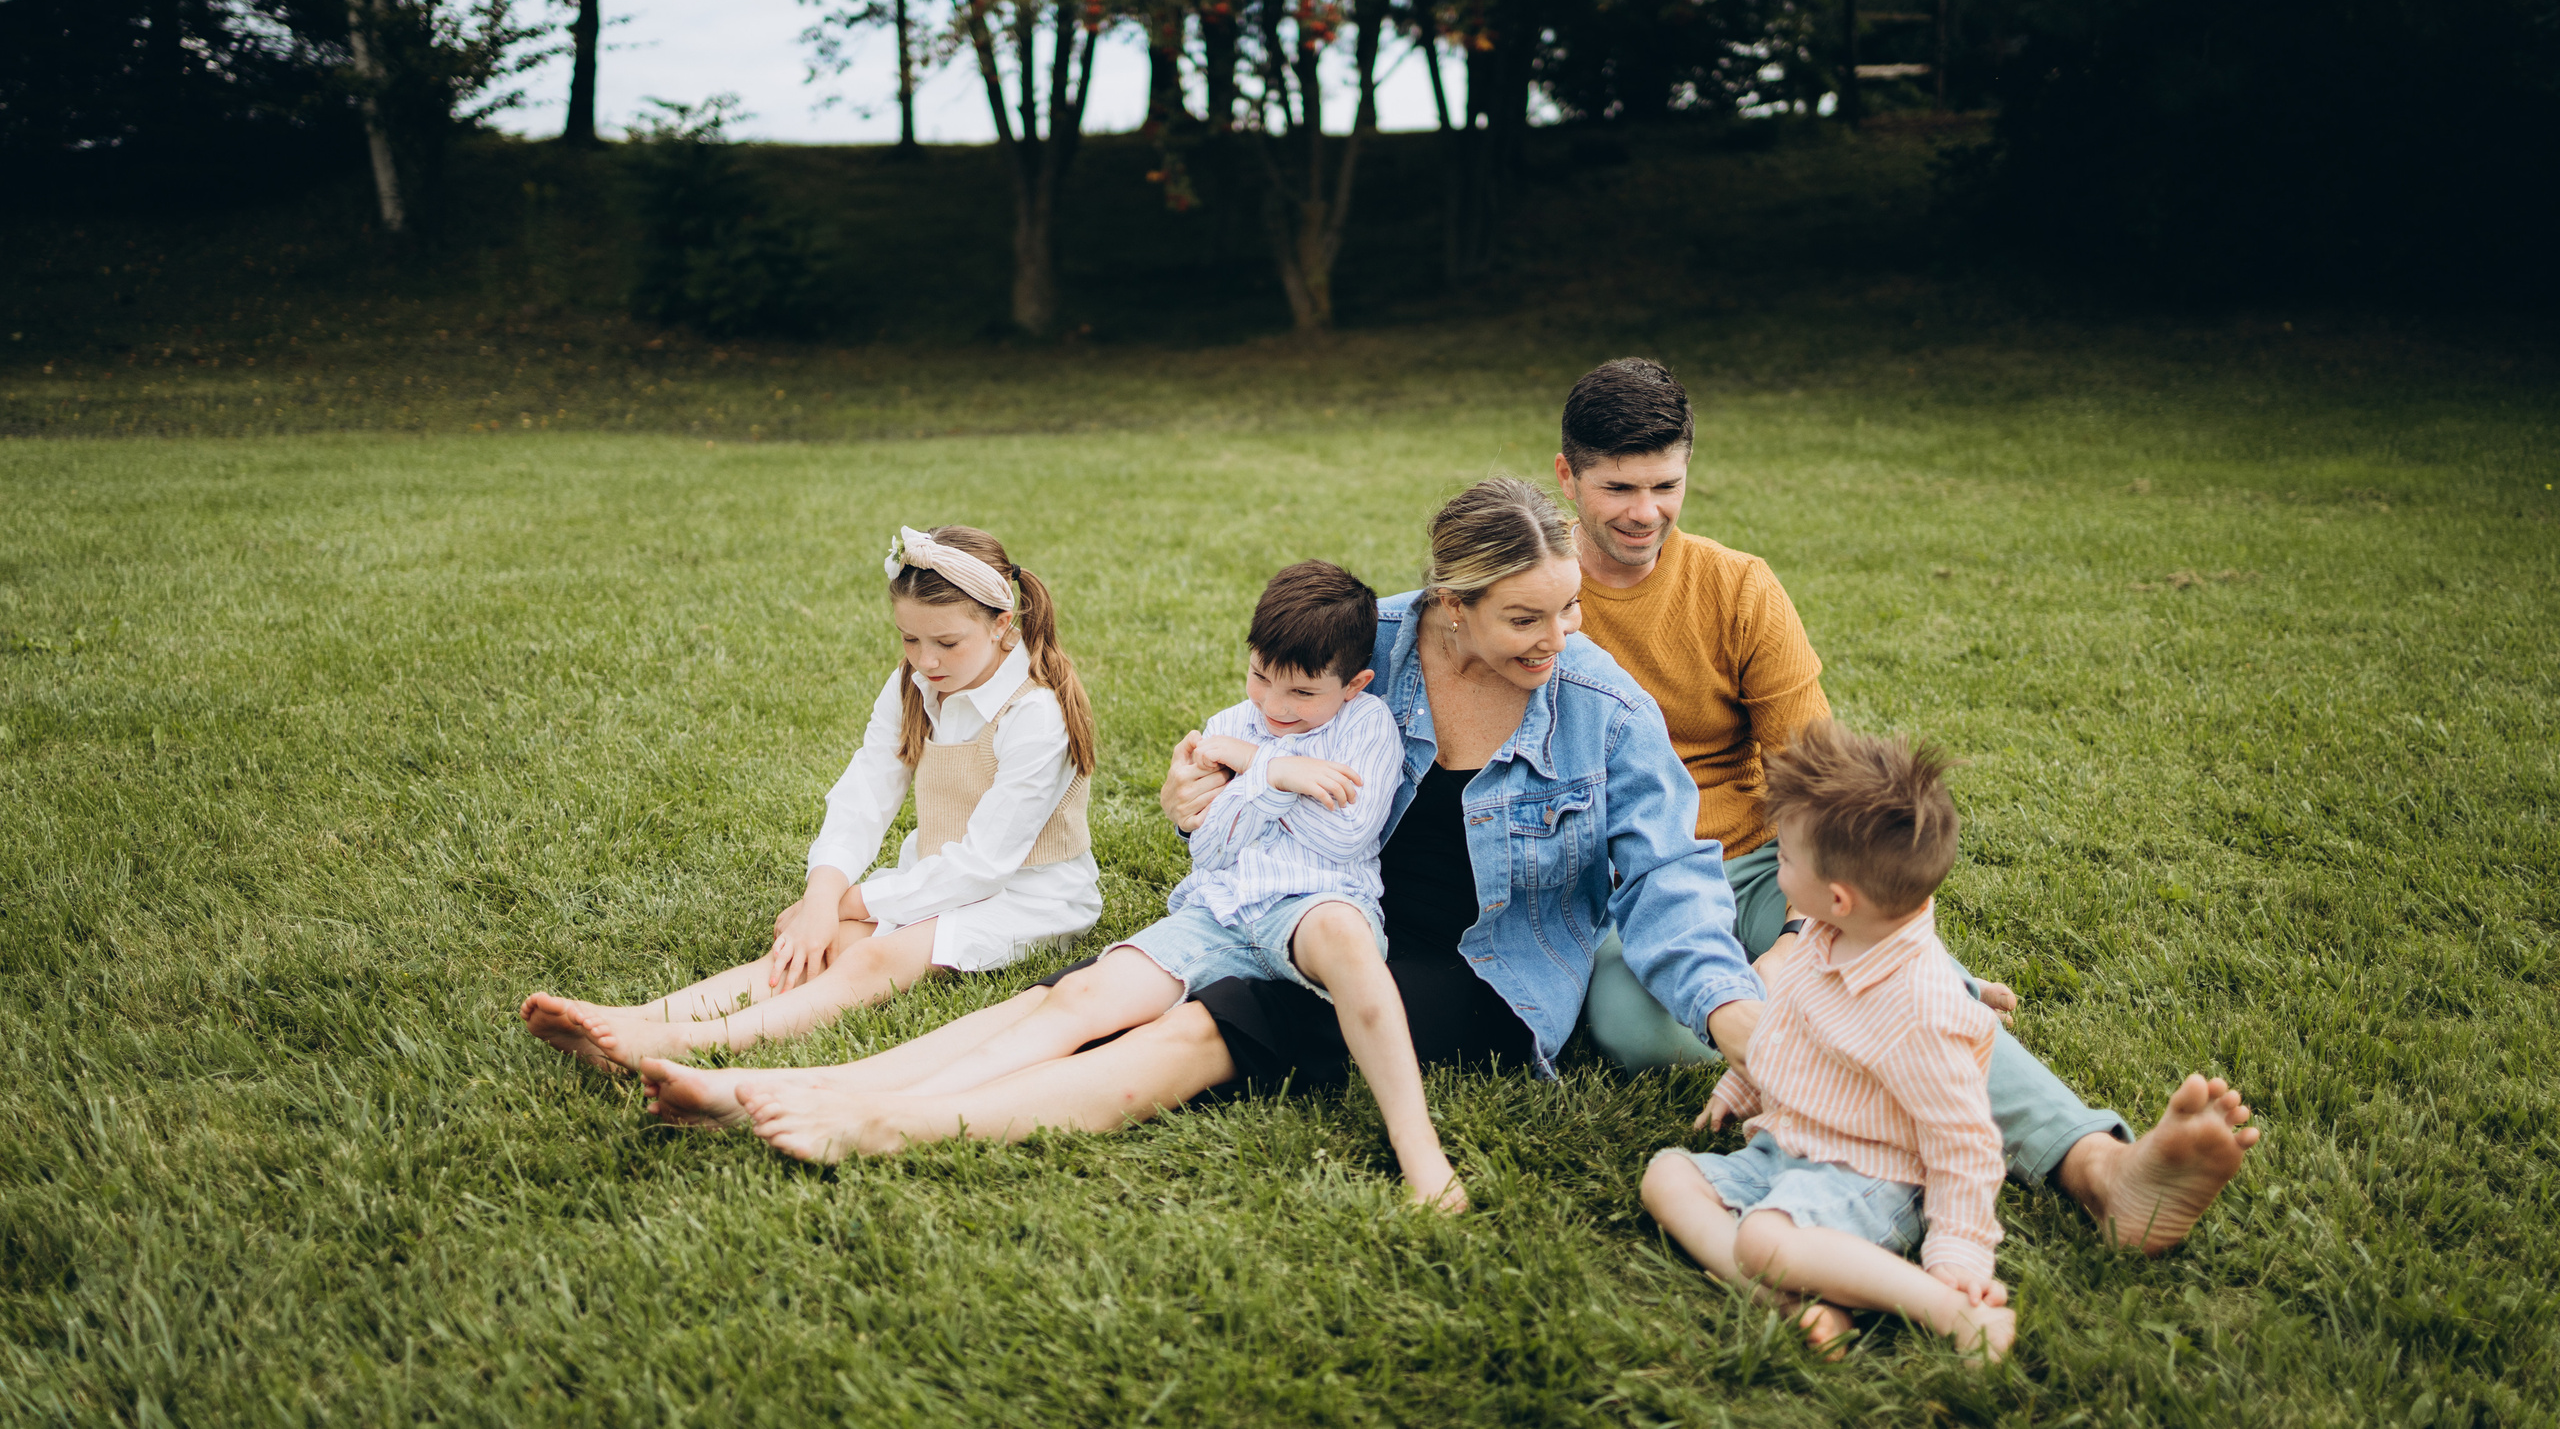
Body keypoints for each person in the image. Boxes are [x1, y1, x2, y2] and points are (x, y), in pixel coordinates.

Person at [637, 479, 1769, 1162]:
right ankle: (790, 1086)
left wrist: (1749, 1040)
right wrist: (1196, 799)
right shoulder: (1364, 643)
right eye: (1528, 616)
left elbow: (1673, 887)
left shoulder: (1602, 710)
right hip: (1300, 907)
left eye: (1570, 608)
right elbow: (1244, 746)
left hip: (1476, 972)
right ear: (1449, 607)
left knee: (1191, 1034)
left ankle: (882, 1125)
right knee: (1075, 995)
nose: (1560, 636)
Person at [1557, 356, 2258, 1252]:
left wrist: (1789, 945)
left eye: (1667, 484)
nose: (1644, 512)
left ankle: (2097, 1166)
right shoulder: (1541, 598)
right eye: (1619, 486)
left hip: (1769, 863)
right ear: (1567, 476)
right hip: (1626, 890)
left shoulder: (1737, 586)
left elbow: (1818, 783)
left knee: (1876, 974)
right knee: (1629, 1028)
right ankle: (1920, 1026)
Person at [885, 561, 1467, 1210]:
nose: (1274, 706)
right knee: (1083, 991)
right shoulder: (1227, 728)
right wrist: (1282, 773)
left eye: (1302, 694)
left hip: (1313, 904)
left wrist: (1257, 773)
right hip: (1217, 909)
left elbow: (1345, 838)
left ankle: (1418, 1147)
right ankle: (917, 1101)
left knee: (1349, 945)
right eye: (1260, 677)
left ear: (1354, 683)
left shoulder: (1367, 727)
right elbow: (1212, 844)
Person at [518, 523, 1102, 1068]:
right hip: (941, 878)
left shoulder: (1035, 714)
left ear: (1002, 624)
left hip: (1029, 896)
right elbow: (864, 793)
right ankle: (640, 1019)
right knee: (818, 944)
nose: (925, 660)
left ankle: (679, 1042)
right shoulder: (918, 683)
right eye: (909, 638)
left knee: (871, 956)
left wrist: (857, 902)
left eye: (947, 642)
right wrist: (823, 896)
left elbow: (985, 866)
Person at [1642, 721, 2013, 1362]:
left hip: (1871, 1180)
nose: (1775, 867)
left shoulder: (1921, 1007)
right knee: (1667, 1177)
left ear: (1839, 896)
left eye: (1782, 858)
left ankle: (1949, 1311)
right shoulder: (1821, 934)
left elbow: (1965, 1144)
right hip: (1789, 1151)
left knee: (1762, 1239)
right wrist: (1743, 1083)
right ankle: (1794, 1304)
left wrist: (1959, 1253)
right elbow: (1788, 1026)